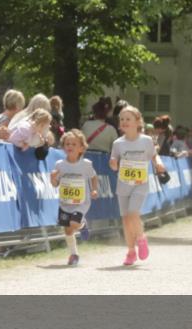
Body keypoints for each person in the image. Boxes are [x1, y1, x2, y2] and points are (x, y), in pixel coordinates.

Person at [110, 105, 166, 266]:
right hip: (123, 185)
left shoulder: (146, 141)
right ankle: (130, 252)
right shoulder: (118, 143)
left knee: (133, 213)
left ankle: (141, 239)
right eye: (122, 119)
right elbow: (113, 162)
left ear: (137, 122)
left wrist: (159, 164)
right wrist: (113, 163)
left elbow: (154, 157)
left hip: (140, 184)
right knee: (126, 220)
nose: (124, 122)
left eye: (128, 119)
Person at [51, 129, 99, 266]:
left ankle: (82, 224)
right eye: (67, 144)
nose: (70, 146)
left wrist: (94, 189)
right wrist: (52, 179)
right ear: (63, 147)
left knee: (74, 224)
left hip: (81, 203)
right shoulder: (60, 164)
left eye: (73, 144)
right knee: (68, 229)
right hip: (65, 203)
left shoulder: (86, 164)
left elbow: (93, 177)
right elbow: (55, 184)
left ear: (81, 148)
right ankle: (74, 254)